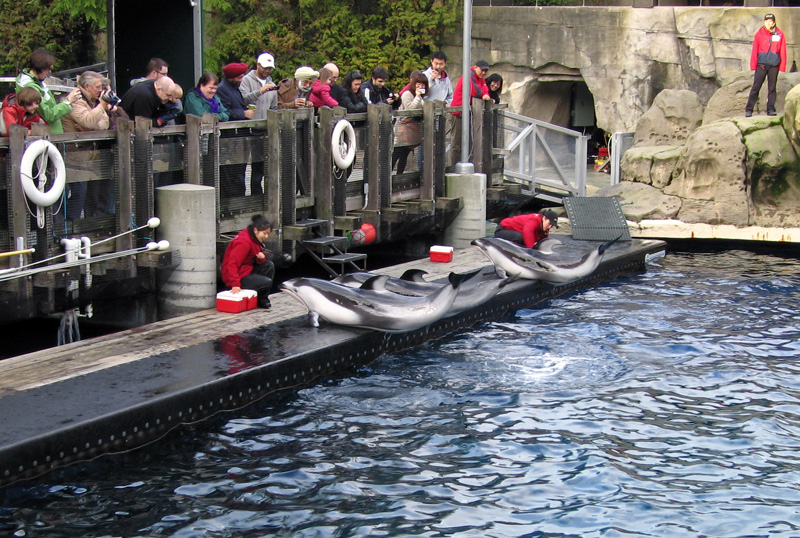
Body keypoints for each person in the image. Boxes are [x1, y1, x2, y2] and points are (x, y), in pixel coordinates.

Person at [62, 71, 115, 219]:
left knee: (86, 195)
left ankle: (83, 230)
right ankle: (65, 234)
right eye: (98, 86)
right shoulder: (76, 100)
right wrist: (101, 106)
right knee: (75, 197)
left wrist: (91, 127)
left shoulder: (94, 101)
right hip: (72, 158)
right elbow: (88, 121)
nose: (100, 90)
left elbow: (105, 123)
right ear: (87, 86)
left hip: (87, 158)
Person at [15, 49, 82, 134]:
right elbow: (48, 115)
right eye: (48, 68)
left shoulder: (36, 83)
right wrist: (68, 101)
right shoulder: (31, 87)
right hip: (45, 137)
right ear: (40, 67)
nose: (50, 71)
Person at [240, 53, 278, 195]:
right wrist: (260, 91)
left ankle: (258, 193)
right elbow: (243, 99)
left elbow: (274, 107)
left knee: (260, 165)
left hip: (265, 130)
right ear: (258, 65)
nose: (267, 70)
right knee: (242, 163)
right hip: (248, 128)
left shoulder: (272, 83)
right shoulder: (246, 81)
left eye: (270, 68)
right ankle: (242, 193)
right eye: (265, 67)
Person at [220, 214, 276, 309]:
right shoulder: (244, 242)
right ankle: (260, 297)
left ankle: (262, 299)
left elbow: (254, 260)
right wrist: (235, 284)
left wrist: (260, 258)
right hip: (237, 276)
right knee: (266, 282)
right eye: (264, 233)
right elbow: (232, 263)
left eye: (268, 234)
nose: (266, 236)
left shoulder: (255, 239)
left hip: (246, 269)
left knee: (269, 265)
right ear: (255, 230)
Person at [217, 62, 256, 198]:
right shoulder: (223, 89)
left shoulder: (234, 88)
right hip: (230, 138)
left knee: (240, 170)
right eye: (239, 77)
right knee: (231, 173)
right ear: (231, 77)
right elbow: (225, 112)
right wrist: (243, 114)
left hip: (239, 138)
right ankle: (232, 202)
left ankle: (239, 199)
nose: (241, 80)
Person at [448, 59, 492, 165]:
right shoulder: (469, 76)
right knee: (456, 144)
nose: (484, 73)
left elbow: (485, 89)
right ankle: (454, 167)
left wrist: (486, 94)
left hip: (469, 114)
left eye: (486, 71)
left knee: (470, 142)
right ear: (476, 67)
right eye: (482, 70)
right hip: (459, 113)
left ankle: (467, 164)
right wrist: (484, 95)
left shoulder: (481, 78)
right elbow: (475, 91)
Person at [746, 13, 787, 117]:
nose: (769, 23)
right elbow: (755, 50)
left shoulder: (780, 34)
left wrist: (782, 66)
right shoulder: (759, 34)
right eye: (767, 21)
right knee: (756, 86)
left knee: (772, 88)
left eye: (771, 21)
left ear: (774, 23)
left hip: (774, 65)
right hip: (761, 65)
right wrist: (753, 65)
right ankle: (749, 109)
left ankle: (771, 109)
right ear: (764, 22)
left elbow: (783, 50)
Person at [392, 70, 428, 175]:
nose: (420, 86)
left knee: (405, 155)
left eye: (422, 85)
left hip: (412, 128)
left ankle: (399, 176)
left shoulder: (421, 97)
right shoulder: (407, 94)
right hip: (403, 127)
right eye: (418, 84)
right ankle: (386, 177)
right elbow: (409, 108)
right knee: (397, 153)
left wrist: (420, 98)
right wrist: (417, 97)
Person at [494, 210, 559, 249]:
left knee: (540, 240)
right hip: (502, 230)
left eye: (552, 225)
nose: (549, 226)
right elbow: (528, 237)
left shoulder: (544, 227)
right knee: (520, 237)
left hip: (516, 232)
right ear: (544, 218)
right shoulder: (533, 221)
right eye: (549, 223)